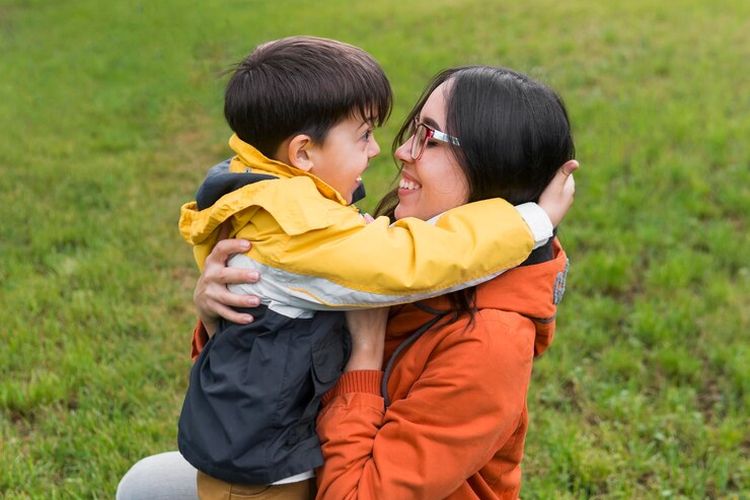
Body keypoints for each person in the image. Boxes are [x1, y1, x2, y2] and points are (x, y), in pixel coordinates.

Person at [117, 57, 577, 498]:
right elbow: (270, 376)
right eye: (412, 131)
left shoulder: (491, 341)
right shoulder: (385, 247)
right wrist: (225, 312)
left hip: (351, 486)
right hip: (312, 462)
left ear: (492, 165)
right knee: (147, 486)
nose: (400, 151)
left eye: (429, 138)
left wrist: (364, 358)